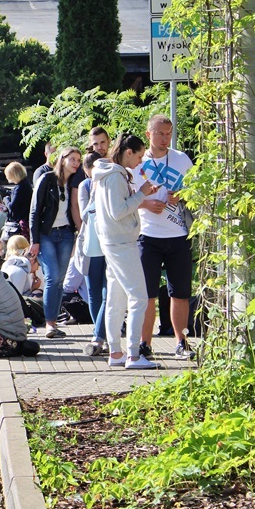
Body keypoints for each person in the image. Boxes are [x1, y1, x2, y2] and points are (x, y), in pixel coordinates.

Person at [131, 114, 196, 360]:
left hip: (179, 234)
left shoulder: (181, 159)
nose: (165, 138)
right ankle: (145, 343)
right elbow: (124, 200)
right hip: (147, 236)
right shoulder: (138, 162)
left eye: (168, 133)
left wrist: (183, 195)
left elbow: (196, 189)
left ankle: (182, 342)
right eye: (160, 133)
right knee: (147, 294)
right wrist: (146, 204)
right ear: (148, 134)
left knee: (180, 293)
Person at [94, 133, 160, 369]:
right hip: (121, 243)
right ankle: (132, 354)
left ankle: (116, 353)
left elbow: (116, 209)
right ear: (128, 152)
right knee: (139, 297)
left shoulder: (110, 174)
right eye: (139, 156)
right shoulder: (115, 177)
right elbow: (118, 211)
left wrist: (138, 195)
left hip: (114, 241)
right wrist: (142, 194)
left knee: (116, 298)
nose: (140, 162)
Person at [28, 146, 82, 338]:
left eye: (78, 160)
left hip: (66, 234)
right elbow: (34, 212)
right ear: (63, 159)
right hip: (47, 234)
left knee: (60, 280)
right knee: (51, 277)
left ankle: (54, 320)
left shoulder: (75, 182)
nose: (76, 163)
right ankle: (49, 324)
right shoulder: (47, 179)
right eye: (73, 159)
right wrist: (34, 240)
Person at [78, 151, 108, 357]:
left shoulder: (110, 182)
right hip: (91, 245)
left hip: (110, 244)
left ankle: (99, 336)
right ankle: (101, 336)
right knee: (94, 292)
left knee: (109, 293)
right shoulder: (85, 186)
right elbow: (85, 214)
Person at [3, 162, 32, 241]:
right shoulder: (24, 184)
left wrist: (6, 200)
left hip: (20, 224)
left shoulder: (20, 188)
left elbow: (13, 207)